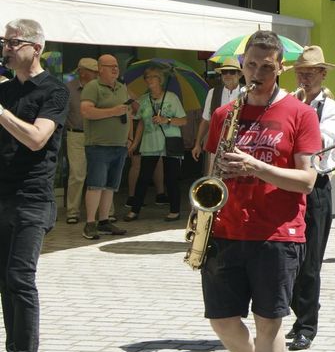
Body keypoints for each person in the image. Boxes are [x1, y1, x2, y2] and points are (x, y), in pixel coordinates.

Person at [201, 31, 321, 352]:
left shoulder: (299, 114)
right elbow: (212, 170)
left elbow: (307, 180)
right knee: (221, 321)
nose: (257, 74)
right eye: (251, 65)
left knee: (269, 322)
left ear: (280, 67)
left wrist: (256, 167)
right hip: (227, 228)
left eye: (266, 67)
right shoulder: (224, 115)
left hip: (277, 233)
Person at [0, 18, 69, 352]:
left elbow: (36, 139)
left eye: (13, 42)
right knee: (4, 282)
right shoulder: (6, 90)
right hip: (1, 195)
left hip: (32, 198)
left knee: (20, 278)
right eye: (3, 42)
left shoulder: (54, 91)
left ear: (35, 48)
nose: (6, 48)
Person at [284, 46, 335, 352]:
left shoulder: (332, 109)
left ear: (322, 74)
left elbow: (321, 139)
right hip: (289, 185)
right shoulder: (288, 103)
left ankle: (307, 324)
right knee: (287, 258)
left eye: (310, 73)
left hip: (318, 186)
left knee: (310, 263)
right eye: (300, 73)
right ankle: (298, 317)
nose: (304, 78)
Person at [80, 55, 134, 240]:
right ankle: (89, 223)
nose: (115, 69)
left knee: (110, 186)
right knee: (96, 185)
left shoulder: (121, 87)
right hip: (98, 145)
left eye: (116, 66)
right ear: (100, 68)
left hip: (118, 145)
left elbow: (127, 111)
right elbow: (86, 111)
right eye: (110, 66)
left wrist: (129, 136)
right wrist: (112, 111)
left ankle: (104, 221)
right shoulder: (92, 87)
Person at [125, 65, 187, 221]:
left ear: (160, 80)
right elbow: (141, 123)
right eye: (147, 77)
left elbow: (183, 120)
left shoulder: (172, 98)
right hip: (150, 143)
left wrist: (167, 120)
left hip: (170, 142)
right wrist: (135, 143)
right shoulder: (144, 99)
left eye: (153, 77)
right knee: (143, 177)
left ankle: (175, 210)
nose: (149, 80)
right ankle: (135, 210)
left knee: (172, 178)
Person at [62, 58, 98, 224]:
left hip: (98, 135)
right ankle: (72, 212)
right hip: (75, 134)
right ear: (83, 72)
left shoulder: (101, 88)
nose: (97, 74)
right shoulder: (69, 89)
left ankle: (104, 212)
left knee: (99, 174)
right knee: (77, 174)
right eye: (93, 71)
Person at [192, 58, 242, 162]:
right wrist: (197, 144)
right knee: (214, 177)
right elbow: (205, 120)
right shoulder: (213, 93)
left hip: (240, 145)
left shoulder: (246, 93)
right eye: (224, 72)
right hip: (217, 144)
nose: (227, 75)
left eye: (232, 72)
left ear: (239, 75)